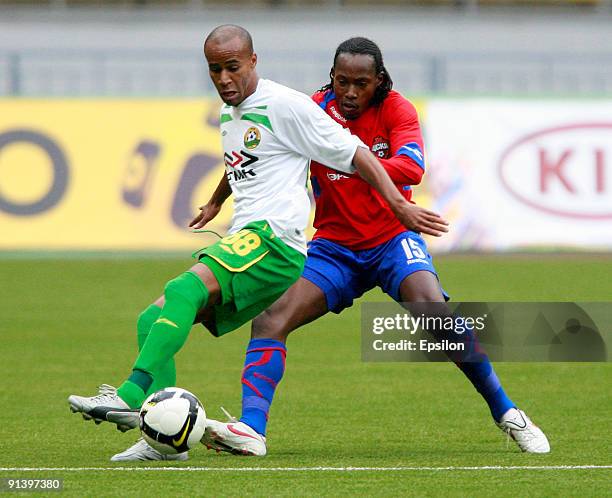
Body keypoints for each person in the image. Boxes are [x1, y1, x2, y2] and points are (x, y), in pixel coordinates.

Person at [67, 26, 449, 462]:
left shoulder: (286, 105)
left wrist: (399, 206)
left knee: (182, 290)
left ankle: (130, 395)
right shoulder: (233, 115)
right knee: (149, 320)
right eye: (215, 69)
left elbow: (357, 154)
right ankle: (163, 441)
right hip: (245, 238)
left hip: (275, 240)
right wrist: (214, 202)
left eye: (233, 67)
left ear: (253, 61)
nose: (225, 78)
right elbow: (242, 165)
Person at [199, 37, 550, 457]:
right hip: (333, 247)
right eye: (342, 81)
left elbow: (412, 168)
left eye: (361, 83)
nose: (350, 92)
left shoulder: (397, 109)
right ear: (331, 78)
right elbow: (258, 148)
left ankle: (508, 412)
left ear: (378, 82)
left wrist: (347, 155)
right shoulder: (311, 108)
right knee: (271, 320)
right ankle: (252, 429)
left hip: (391, 239)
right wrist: (220, 197)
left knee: (436, 317)